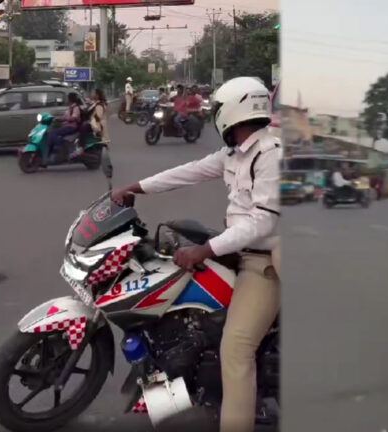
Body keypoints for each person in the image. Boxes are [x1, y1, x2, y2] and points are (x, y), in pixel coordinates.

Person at [110, 77, 280, 432]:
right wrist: (136, 187)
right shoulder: (237, 152)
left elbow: (263, 222)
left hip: (263, 261)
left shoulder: (271, 154)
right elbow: (187, 173)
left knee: (237, 349)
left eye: (217, 109)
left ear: (232, 112)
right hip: (235, 247)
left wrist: (204, 249)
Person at [74, 89, 109, 158]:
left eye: (93, 93)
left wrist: (90, 120)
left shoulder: (99, 104)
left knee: (83, 127)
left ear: (97, 95)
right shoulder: (94, 103)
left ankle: (81, 146)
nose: (92, 94)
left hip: (96, 125)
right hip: (93, 123)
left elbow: (98, 116)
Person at [47, 92, 82, 158]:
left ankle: (61, 147)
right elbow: (65, 117)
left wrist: (63, 119)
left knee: (53, 134)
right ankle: (50, 153)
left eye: (67, 98)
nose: (66, 100)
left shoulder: (75, 108)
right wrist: (57, 118)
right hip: (67, 126)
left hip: (71, 127)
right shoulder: (70, 107)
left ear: (70, 99)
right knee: (50, 133)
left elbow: (74, 118)